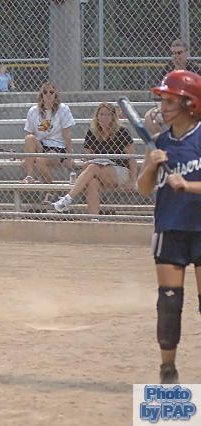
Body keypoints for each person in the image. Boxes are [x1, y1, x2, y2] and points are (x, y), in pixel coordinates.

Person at [136, 70, 201, 384]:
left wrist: (188, 186)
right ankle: (168, 370)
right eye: (162, 100)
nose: (163, 107)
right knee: (170, 302)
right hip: (170, 228)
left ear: (191, 103)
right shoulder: (159, 142)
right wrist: (150, 164)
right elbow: (143, 189)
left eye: (170, 101)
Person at [52, 102, 138, 215]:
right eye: (101, 114)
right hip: (97, 170)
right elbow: (88, 157)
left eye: (108, 114)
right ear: (97, 116)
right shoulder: (92, 132)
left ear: (113, 117)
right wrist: (86, 165)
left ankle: (67, 199)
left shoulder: (121, 132)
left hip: (119, 171)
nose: (104, 117)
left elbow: (132, 158)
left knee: (93, 167)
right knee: (92, 183)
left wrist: (133, 180)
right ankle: (94, 219)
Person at [22, 82, 76, 184]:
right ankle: (30, 176)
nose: (48, 94)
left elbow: (67, 135)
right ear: (41, 94)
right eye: (45, 92)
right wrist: (27, 157)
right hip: (41, 146)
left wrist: (70, 156)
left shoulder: (63, 109)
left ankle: (50, 187)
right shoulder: (33, 110)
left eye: (51, 92)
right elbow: (30, 134)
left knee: (40, 160)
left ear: (55, 94)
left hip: (57, 147)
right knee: (29, 138)